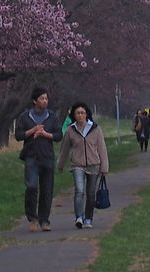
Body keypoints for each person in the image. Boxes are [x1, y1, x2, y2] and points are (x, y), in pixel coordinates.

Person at [13, 86, 62, 232]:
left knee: (47, 190)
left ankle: (44, 220)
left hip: (47, 157)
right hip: (31, 157)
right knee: (31, 187)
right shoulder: (25, 117)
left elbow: (59, 135)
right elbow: (18, 135)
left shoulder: (52, 117)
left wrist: (45, 134)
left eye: (46, 98)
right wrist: (33, 130)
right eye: (42, 98)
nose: (45, 101)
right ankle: (32, 218)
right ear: (35, 101)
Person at [57, 101, 110, 229]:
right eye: (77, 113)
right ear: (74, 115)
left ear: (86, 114)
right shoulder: (70, 130)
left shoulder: (95, 129)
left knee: (91, 194)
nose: (80, 115)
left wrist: (104, 167)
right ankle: (79, 217)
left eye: (82, 113)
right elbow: (64, 149)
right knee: (79, 191)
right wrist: (60, 164)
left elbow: (102, 149)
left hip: (94, 165)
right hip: (77, 165)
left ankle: (88, 218)